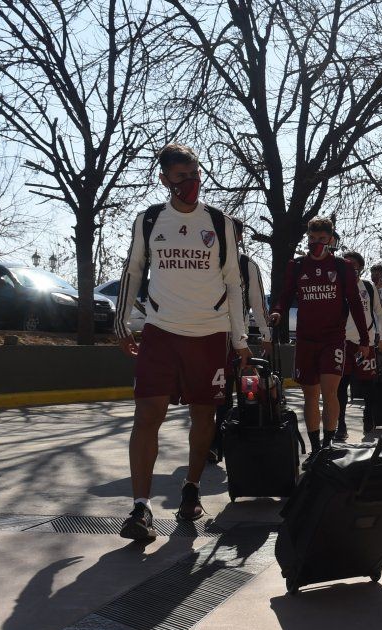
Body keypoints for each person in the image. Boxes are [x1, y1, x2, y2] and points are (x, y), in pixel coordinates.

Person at [114, 143, 250, 540]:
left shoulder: (220, 222)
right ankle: (140, 508)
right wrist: (123, 323)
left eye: (195, 176)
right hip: (160, 332)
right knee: (146, 416)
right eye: (181, 178)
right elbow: (133, 270)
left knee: (204, 418)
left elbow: (233, 282)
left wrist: (240, 340)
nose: (190, 184)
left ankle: (191, 487)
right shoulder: (149, 220)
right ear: (164, 180)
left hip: (210, 334)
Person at [270, 218, 371, 457]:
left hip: (333, 339)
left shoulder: (341, 266)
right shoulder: (296, 266)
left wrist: (365, 340)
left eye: (322, 239)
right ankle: (315, 447)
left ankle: (328, 443)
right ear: (308, 237)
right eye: (313, 238)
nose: (316, 243)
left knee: (330, 392)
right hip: (305, 339)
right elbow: (285, 295)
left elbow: (355, 303)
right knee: (310, 395)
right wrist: (277, 311)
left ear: (331, 240)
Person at [210, 218, 273, 461]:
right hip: (210, 336)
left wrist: (266, 335)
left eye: (230, 233)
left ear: (238, 237)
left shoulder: (248, 265)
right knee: (218, 394)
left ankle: (240, 440)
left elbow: (258, 304)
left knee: (248, 393)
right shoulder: (208, 261)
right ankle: (216, 441)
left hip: (240, 339)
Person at [335, 250, 382, 440]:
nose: (351, 269)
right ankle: (340, 424)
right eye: (346, 264)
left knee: (369, 385)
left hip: (365, 344)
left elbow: (380, 313)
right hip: (342, 344)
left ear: (360, 268)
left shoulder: (368, 287)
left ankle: (368, 418)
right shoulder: (336, 285)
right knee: (341, 386)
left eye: (354, 266)